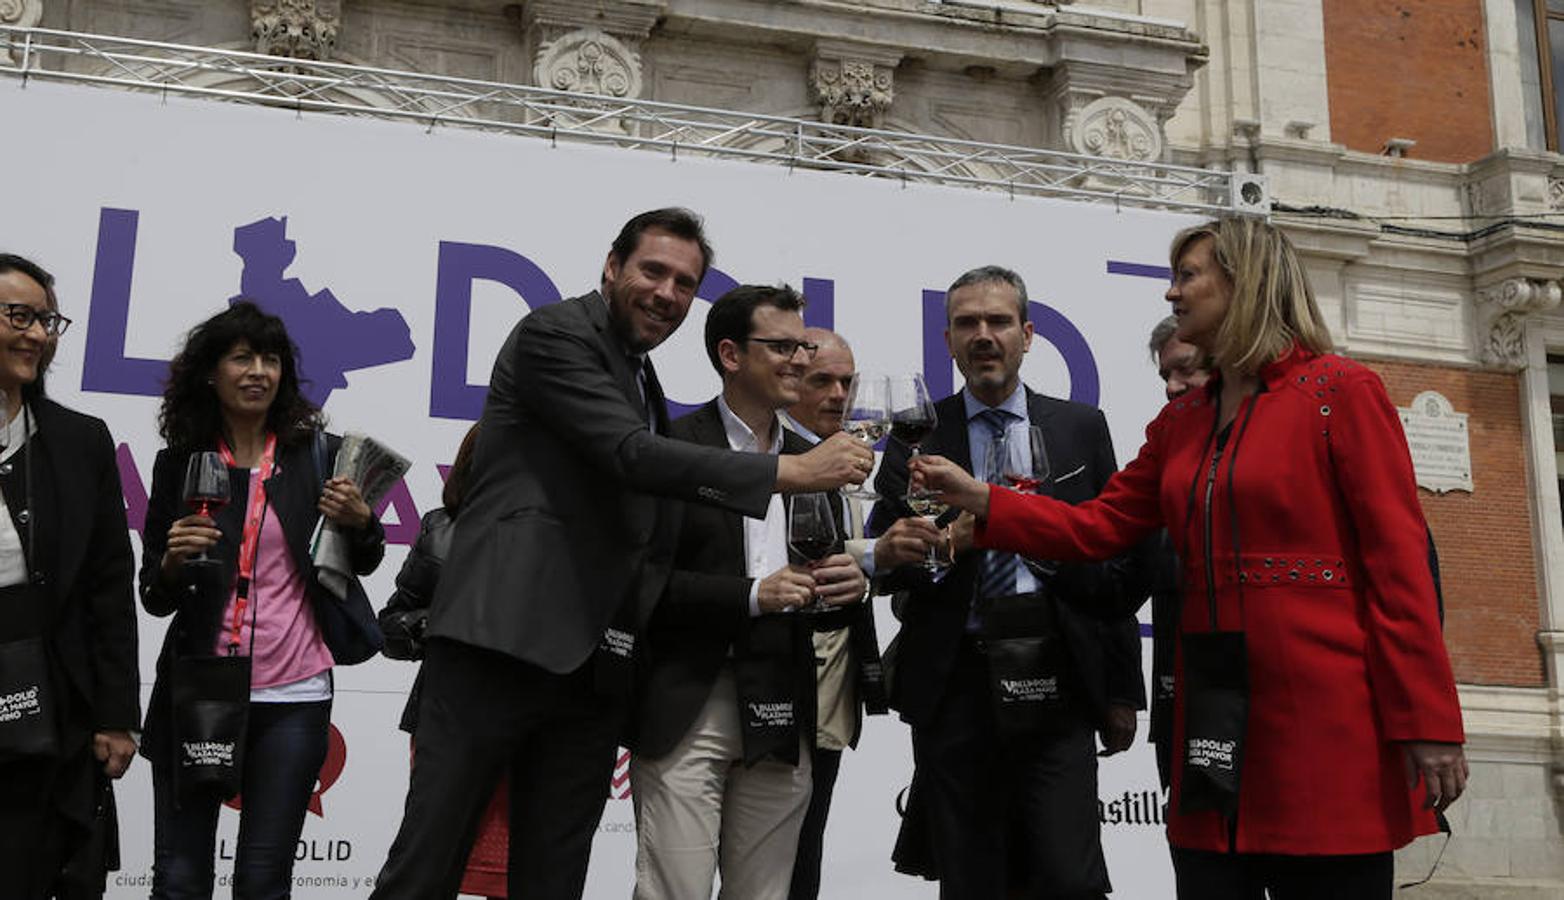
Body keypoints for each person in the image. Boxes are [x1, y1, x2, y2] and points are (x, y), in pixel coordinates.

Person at [915, 218, 1468, 899]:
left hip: (1324, 713)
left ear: (1246, 281)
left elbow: (1401, 569)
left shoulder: (1341, 392)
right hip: (1214, 710)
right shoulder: (1183, 421)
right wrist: (982, 499)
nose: (1171, 294)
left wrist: (1430, 722)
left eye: (1187, 276)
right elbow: (1097, 528)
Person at [369, 209, 872, 900]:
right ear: (612, 267)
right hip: (500, 641)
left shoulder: (641, 379)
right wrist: (789, 471)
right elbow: (630, 456)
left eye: (685, 282)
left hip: (592, 665)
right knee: (429, 863)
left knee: (554, 875)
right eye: (653, 271)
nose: (667, 292)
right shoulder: (555, 334)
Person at [868, 265, 1144, 900]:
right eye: (968, 323)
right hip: (957, 680)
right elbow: (888, 562)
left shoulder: (1080, 426)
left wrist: (1123, 689)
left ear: (1028, 333)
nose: (984, 335)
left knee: (1069, 879)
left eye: (998, 322)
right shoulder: (917, 433)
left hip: (1062, 675)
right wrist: (945, 544)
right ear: (948, 342)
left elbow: (1116, 562)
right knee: (971, 880)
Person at [139, 301, 386, 898]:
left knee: (262, 881)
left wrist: (363, 523)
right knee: (179, 877)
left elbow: (363, 562)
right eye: (241, 357)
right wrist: (172, 562)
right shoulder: (180, 463)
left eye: (270, 359)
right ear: (210, 373)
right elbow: (153, 594)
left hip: (294, 694)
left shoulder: (317, 455)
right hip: (199, 687)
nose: (258, 371)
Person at [630, 286, 870, 900]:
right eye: (783, 346)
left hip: (784, 699)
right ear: (731, 355)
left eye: (803, 345)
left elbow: (828, 570)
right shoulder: (674, 447)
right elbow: (642, 584)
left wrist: (851, 584)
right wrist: (752, 596)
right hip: (691, 698)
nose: (799, 359)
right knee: (673, 891)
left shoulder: (816, 460)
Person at [0, 254, 139, 899]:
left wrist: (115, 715)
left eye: (48, 320)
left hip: (50, 708)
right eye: (18, 316)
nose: (36, 335)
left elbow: (108, 587)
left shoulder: (79, 441)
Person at [377, 424, 510, 899]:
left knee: (516, 878)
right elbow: (390, 626)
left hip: (531, 731)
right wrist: (443, 625)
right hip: (445, 720)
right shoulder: (440, 528)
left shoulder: (567, 538)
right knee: (425, 870)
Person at [779, 327, 888, 900]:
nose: (839, 394)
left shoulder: (849, 463)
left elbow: (853, 565)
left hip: (830, 696)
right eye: (822, 380)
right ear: (790, 380)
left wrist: (868, 568)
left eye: (847, 381)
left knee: (805, 856)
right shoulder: (768, 457)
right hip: (772, 691)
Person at [1145, 316, 1212, 788]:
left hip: (1280, 717)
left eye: (1185, 370)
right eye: (1165, 375)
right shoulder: (1164, 463)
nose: (1173, 387)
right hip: (1184, 719)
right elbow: (1100, 539)